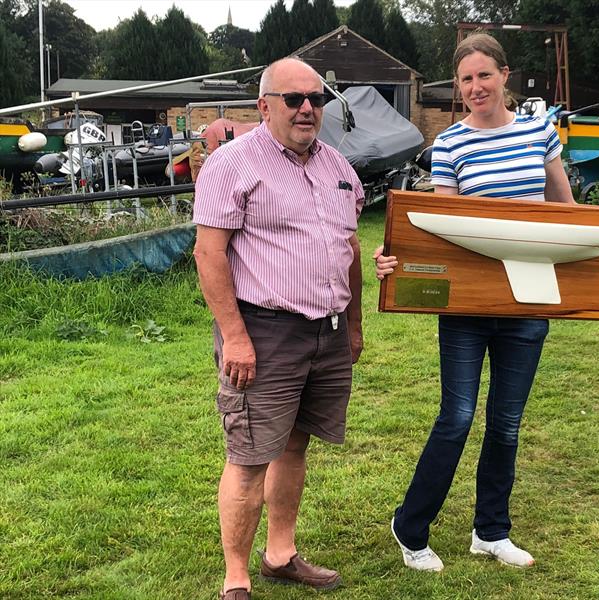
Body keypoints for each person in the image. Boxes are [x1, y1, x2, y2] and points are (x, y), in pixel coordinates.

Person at [374, 33, 599, 572]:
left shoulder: (539, 132)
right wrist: (397, 258)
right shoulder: (452, 144)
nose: (475, 87)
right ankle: (410, 525)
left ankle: (491, 530)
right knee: (457, 418)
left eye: (484, 75)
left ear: (506, 75)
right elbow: (443, 233)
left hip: (529, 303)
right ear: (458, 87)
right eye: (466, 79)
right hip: (467, 309)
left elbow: (570, 216)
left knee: (506, 422)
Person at [193, 58, 365, 600]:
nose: (308, 108)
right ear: (264, 106)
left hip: (327, 332)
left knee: (295, 444)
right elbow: (209, 253)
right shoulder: (232, 165)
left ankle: (281, 554)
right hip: (263, 333)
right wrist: (236, 336)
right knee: (248, 455)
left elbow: (350, 249)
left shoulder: (339, 166)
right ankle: (236, 578)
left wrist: (354, 327)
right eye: (294, 99)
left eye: (317, 98)